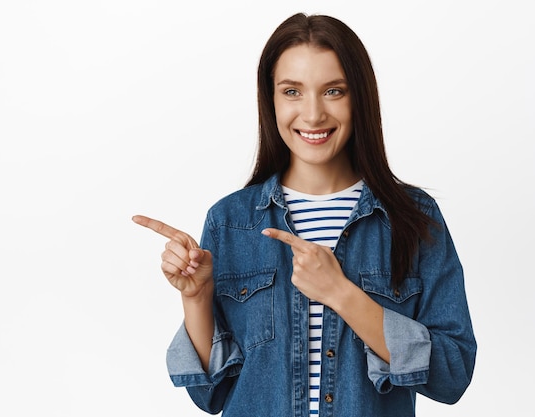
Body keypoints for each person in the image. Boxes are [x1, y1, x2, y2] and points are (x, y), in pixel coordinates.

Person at [133, 12, 476, 417]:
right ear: (271, 100)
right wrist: (197, 299)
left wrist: (341, 293)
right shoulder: (229, 222)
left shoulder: (414, 219)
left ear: (359, 98)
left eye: (333, 91)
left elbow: (453, 374)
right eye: (292, 92)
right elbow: (212, 395)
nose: (313, 115)